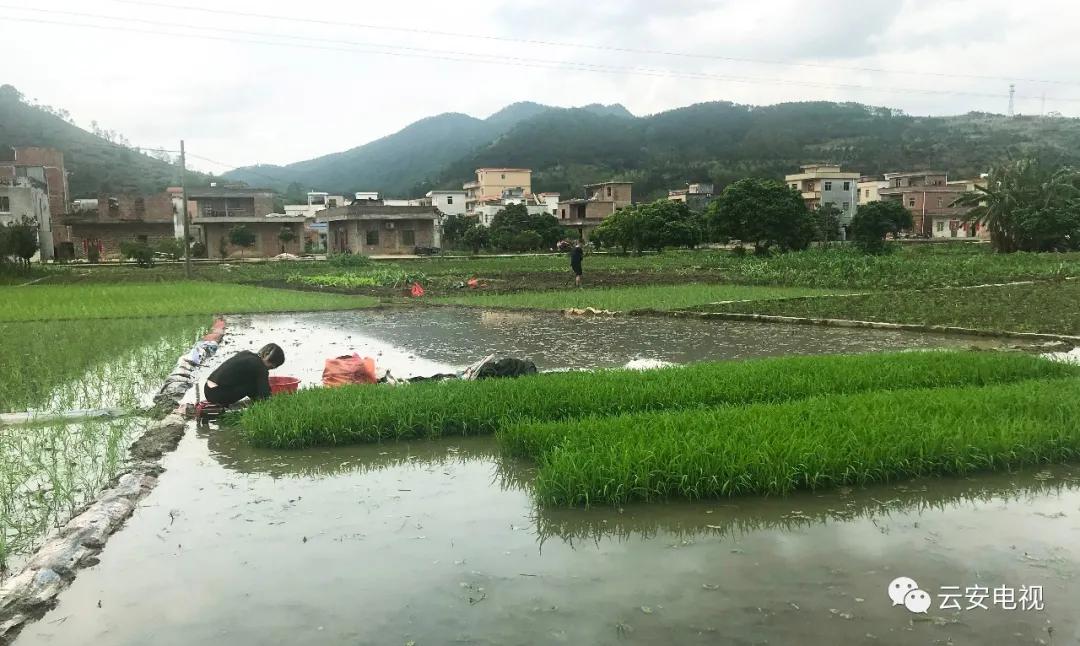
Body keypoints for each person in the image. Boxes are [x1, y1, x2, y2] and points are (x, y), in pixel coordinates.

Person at [204, 343, 285, 406]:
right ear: (266, 355)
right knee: (255, 384)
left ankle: (256, 402)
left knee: (254, 381)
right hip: (217, 394)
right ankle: (258, 405)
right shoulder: (260, 367)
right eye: (270, 367)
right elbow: (265, 394)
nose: (268, 369)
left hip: (208, 389)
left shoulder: (246, 354)